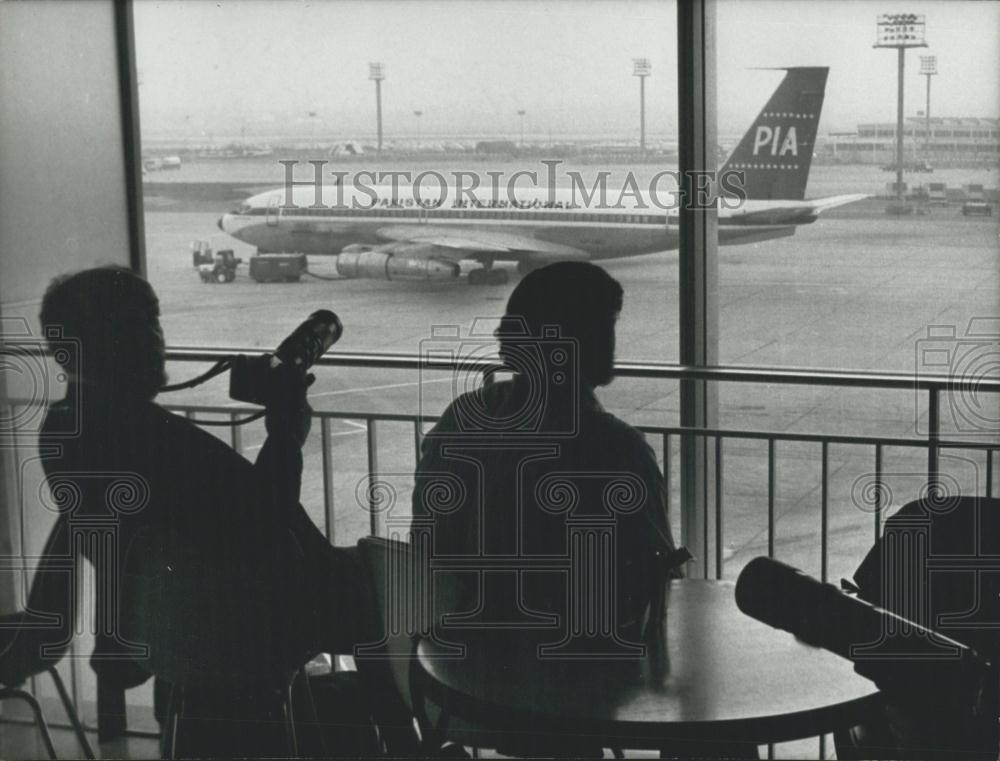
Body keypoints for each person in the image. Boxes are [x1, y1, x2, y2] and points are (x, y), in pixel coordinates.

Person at [9, 266, 376, 756]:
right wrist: (286, 435)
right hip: (266, 619)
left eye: (152, 320)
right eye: (135, 324)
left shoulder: (68, 430)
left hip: (188, 639)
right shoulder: (149, 438)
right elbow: (265, 524)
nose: (154, 338)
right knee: (413, 592)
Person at [412, 261, 684, 650]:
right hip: (570, 681)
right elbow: (653, 586)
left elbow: (428, 547)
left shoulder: (460, 419)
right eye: (605, 325)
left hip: (464, 668)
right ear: (580, 338)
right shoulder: (616, 448)